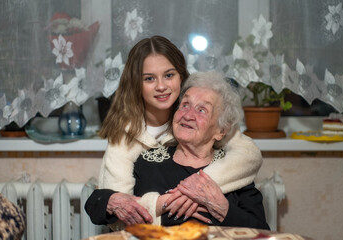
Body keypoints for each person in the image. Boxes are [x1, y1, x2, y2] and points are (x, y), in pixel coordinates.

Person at [85, 36, 262, 226]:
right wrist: (172, 200)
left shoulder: (200, 112)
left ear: (181, 77)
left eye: (169, 75)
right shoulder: (124, 139)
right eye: (149, 78)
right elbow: (121, 214)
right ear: (136, 84)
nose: (161, 86)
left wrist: (198, 189)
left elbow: (248, 155)